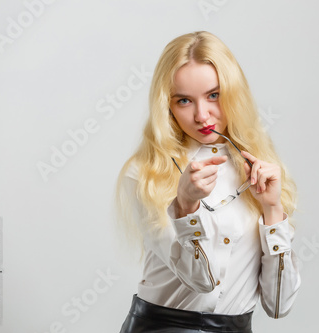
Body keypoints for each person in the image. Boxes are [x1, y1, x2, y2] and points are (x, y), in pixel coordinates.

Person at [115, 31, 300, 333]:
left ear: (234, 92)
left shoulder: (259, 167)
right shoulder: (147, 174)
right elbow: (200, 281)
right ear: (168, 106)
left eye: (214, 95)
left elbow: (279, 305)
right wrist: (185, 206)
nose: (202, 115)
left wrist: (273, 210)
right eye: (184, 100)